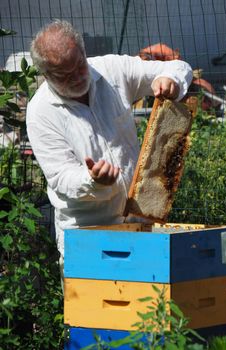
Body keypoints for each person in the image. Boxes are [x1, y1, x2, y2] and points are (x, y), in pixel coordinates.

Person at [26, 20, 193, 259]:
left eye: (79, 67)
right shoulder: (40, 112)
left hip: (141, 222)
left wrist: (170, 81)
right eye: (64, 75)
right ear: (46, 74)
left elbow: (178, 67)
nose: (76, 78)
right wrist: (93, 180)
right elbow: (61, 177)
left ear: (84, 54)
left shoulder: (112, 69)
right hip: (88, 234)